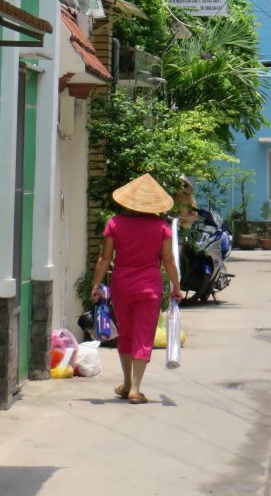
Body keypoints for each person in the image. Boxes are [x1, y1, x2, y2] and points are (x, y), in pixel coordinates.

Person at [90, 172, 182, 404]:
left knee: (127, 334)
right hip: (150, 288)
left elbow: (104, 257)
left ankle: (127, 382)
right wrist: (176, 287)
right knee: (143, 336)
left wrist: (96, 285)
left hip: (122, 287)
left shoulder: (114, 223)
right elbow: (169, 260)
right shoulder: (161, 227)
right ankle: (136, 389)